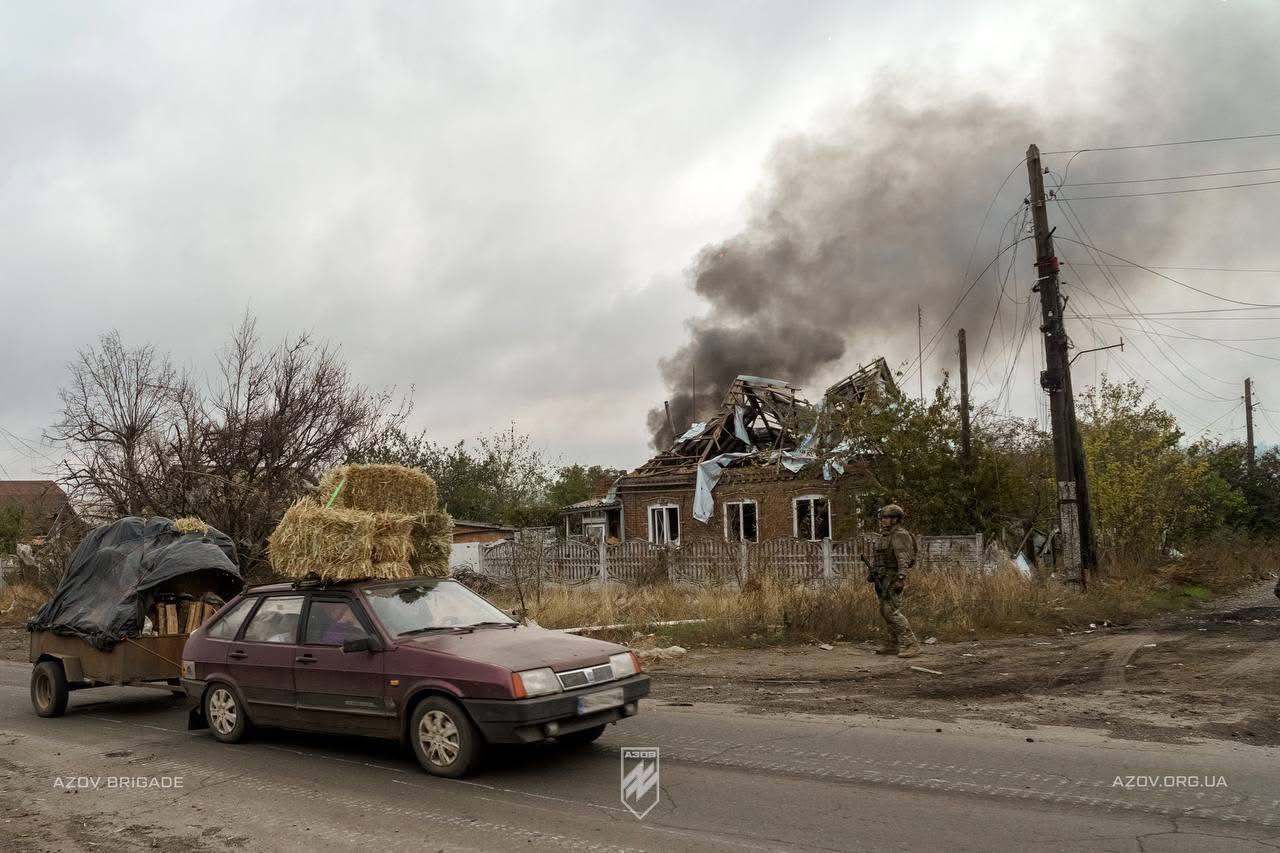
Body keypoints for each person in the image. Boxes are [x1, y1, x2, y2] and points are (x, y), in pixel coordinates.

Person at [864, 503, 922, 658]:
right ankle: (893, 644)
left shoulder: (900, 535)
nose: (883, 520)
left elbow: (903, 559)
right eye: (882, 517)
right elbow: (880, 558)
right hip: (882, 577)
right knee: (885, 611)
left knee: (892, 612)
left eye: (887, 517)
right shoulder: (886, 535)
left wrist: (901, 578)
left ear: (896, 519)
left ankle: (911, 644)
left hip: (893, 577)